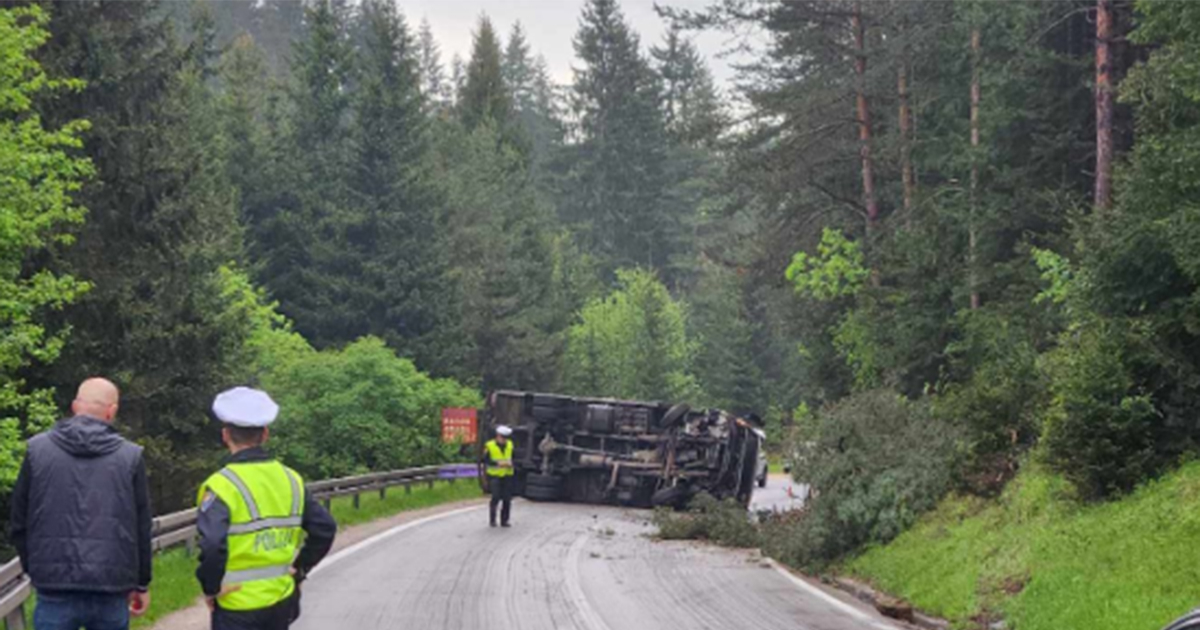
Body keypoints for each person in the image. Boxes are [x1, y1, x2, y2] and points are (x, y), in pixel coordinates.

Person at [10, 377, 153, 630]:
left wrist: (37, 568)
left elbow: (19, 520)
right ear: (112, 411)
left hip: (54, 586)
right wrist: (141, 583)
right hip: (111, 586)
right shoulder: (130, 457)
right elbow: (141, 527)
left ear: (75, 406)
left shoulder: (37, 450)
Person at [195, 387, 336, 630]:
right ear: (266, 434)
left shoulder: (220, 485)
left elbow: (212, 545)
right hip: (281, 600)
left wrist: (211, 588)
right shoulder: (291, 479)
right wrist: (300, 569)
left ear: (225, 435)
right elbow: (325, 529)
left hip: (236, 604)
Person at [482, 425, 515, 528]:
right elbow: (485, 460)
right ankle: (492, 520)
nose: (504, 440)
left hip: (507, 475)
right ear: (498, 436)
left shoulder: (510, 445)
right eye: (502, 437)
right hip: (494, 475)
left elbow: (514, 457)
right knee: (495, 497)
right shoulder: (489, 446)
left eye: (506, 438)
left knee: (507, 499)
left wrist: (511, 463)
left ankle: (504, 521)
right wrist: (498, 463)